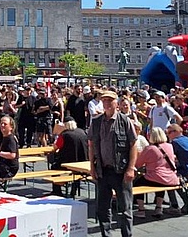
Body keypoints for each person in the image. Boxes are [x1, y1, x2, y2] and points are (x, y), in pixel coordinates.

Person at [88, 90, 138, 237]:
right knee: (103, 208)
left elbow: (133, 144)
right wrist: (92, 167)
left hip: (121, 171)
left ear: (117, 103)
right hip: (103, 170)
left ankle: (126, 235)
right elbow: (91, 144)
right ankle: (106, 234)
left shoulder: (124, 120)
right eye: (104, 101)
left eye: (110, 101)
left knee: (125, 209)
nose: (107, 103)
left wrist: (130, 168)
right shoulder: (96, 121)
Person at [132, 127, 180, 219]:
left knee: (137, 184)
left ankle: (141, 210)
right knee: (160, 185)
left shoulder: (149, 149)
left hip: (156, 177)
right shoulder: (169, 146)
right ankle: (158, 208)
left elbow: (138, 164)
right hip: (170, 178)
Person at [51, 116, 88, 196]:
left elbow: (55, 147)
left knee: (54, 167)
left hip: (67, 162)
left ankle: (57, 190)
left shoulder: (64, 135)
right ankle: (73, 191)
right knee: (77, 172)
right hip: (82, 161)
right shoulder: (82, 132)